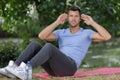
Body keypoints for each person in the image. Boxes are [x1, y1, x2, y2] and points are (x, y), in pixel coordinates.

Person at [0, 6, 111, 80]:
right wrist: (57, 22)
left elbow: (107, 37)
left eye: (76, 16)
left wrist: (92, 22)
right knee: (35, 44)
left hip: (69, 68)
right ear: (67, 18)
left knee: (49, 47)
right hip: (54, 69)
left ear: (80, 19)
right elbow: (42, 36)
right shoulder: (61, 32)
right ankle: (13, 68)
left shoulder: (87, 33)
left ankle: (27, 69)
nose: (73, 19)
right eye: (71, 16)